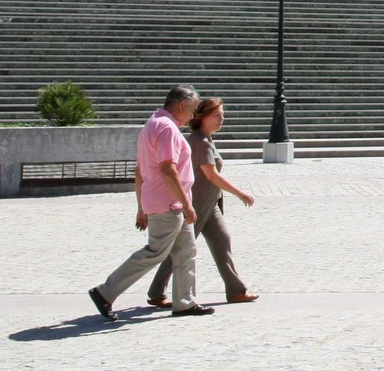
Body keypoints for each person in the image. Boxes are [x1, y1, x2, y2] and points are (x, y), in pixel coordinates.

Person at [88, 85, 212, 321]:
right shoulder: (167, 128)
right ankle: (105, 292)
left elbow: (140, 170)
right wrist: (186, 203)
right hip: (169, 202)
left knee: (186, 251)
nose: (192, 116)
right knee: (155, 251)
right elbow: (168, 169)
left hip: (166, 201)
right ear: (181, 105)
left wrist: (142, 206)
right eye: (192, 110)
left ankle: (185, 302)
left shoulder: (152, 124)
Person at [147, 97, 258, 306]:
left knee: (222, 241)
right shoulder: (200, 142)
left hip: (210, 203)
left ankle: (236, 290)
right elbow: (212, 175)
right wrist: (240, 193)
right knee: (181, 248)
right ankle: (157, 290)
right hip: (198, 204)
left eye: (222, 115)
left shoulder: (205, 139)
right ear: (202, 117)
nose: (221, 119)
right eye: (216, 115)